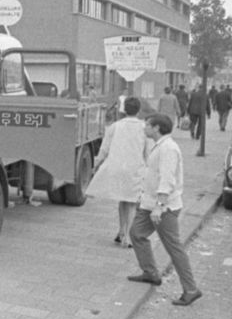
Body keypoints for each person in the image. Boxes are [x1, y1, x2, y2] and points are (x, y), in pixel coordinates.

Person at [126, 113, 201, 306]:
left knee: (173, 247)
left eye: (147, 125)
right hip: (149, 203)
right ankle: (150, 272)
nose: (144, 128)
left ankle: (191, 289)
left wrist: (159, 207)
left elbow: (167, 179)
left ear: (157, 128)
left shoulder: (168, 149)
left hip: (163, 207)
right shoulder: (159, 146)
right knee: (136, 233)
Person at [86, 96, 147, 246]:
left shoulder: (115, 126)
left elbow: (104, 148)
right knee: (132, 202)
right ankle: (128, 236)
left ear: (124, 109)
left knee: (122, 200)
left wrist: (97, 164)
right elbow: (148, 152)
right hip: (135, 168)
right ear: (139, 110)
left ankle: (121, 231)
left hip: (117, 167)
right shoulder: (144, 127)